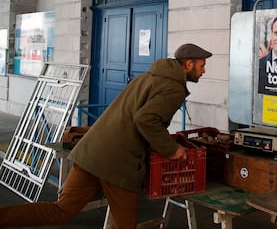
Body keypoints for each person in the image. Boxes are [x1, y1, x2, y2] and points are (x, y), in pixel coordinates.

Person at [0, 43, 212, 229]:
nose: (204, 71)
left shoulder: (149, 77)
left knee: (61, 210)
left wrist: (161, 140)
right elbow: (146, 120)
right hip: (117, 162)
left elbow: (139, 117)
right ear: (188, 64)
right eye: (201, 65)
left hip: (91, 151)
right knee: (125, 224)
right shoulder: (173, 88)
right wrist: (172, 149)